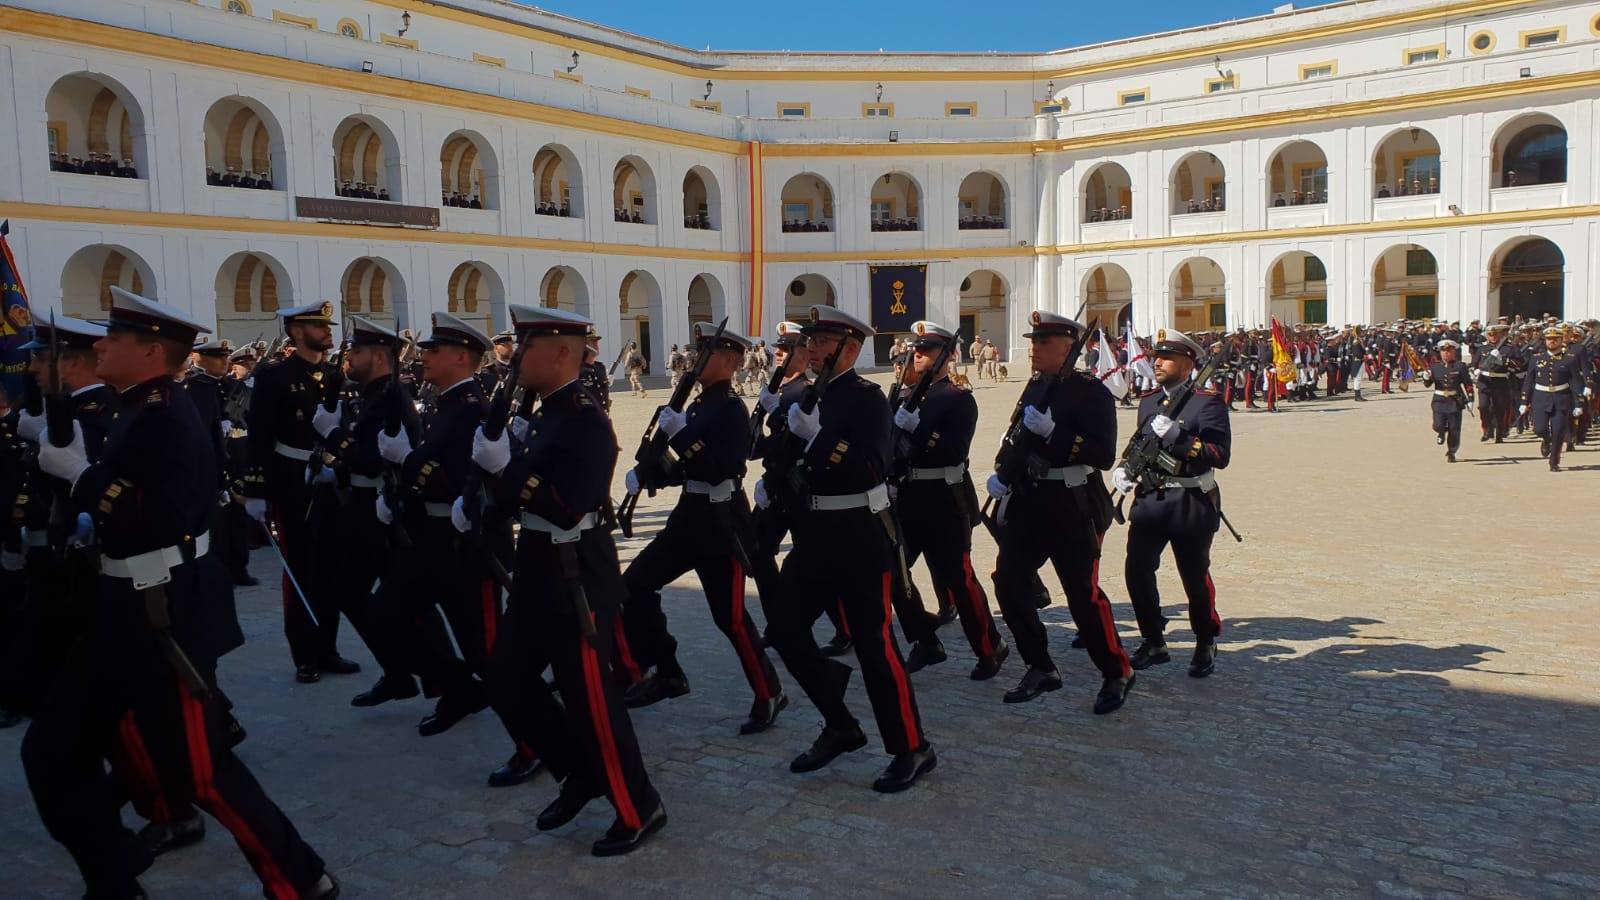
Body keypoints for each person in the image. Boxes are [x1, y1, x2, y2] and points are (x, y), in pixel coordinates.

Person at [21, 286, 337, 900]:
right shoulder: (135, 407)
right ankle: (114, 878)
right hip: (118, 614)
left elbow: (157, 516)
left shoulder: (165, 414)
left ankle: (302, 880)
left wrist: (81, 477)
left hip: (160, 615)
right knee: (51, 753)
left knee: (204, 772)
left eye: (114, 337)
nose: (101, 344)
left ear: (151, 351)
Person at [472, 304, 667, 856]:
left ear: (563, 352)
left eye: (528, 346)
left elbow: (566, 505)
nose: (515, 357)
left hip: (575, 571)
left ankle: (639, 805)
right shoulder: (543, 409)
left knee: (590, 698)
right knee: (506, 679)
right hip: (538, 562)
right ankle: (577, 773)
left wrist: (502, 470)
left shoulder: (584, 418)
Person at [762, 305, 936, 793]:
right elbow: (781, 459)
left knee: (874, 645)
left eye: (821, 343)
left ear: (851, 349)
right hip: (814, 534)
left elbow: (870, 468)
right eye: (810, 341)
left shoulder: (867, 400)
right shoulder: (803, 395)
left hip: (860, 533)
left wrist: (816, 439)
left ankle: (912, 747)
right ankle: (839, 722)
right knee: (784, 631)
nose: (811, 349)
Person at [617, 322, 788, 734]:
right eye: (698, 350)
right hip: (687, 519)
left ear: (730, 362)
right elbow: (685, 470)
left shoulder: (730, 409)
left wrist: (682, 437)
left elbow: (722, 469)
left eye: (707, 352)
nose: (697, 358)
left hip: (720, 524)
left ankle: (769, 692)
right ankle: (667, 668)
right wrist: (652, 474)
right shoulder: (695, 404)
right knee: (634, 586)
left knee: (729, 618)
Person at [986, 311, 1133, 714]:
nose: (1033, 348)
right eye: (1033, 341)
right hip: (1030, 503)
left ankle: (1116, 671)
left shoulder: (1092, 393)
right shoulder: (1036, 386)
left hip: (1072, 504)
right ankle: (1039, 665)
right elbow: (1016, 435)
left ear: (1068, 348)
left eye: (1043, 342)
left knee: (1082, 597)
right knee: (1009, 583)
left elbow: (1103, 455)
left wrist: (1057, 434)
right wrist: (1001, 471)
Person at [375, 313, 503, 737]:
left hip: (465, 547)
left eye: (435, 349)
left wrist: (405, 460)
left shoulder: (471, 410)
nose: (424, 356)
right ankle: (458, 687)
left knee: (485, 649)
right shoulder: (443, 402)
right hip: (429, 539)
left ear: (464, 358)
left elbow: (457, 484)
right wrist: (397, 495)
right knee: (388, 614)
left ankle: (534, 734)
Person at [241, 301, 363, 684]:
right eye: (318, 326)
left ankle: (328, 648)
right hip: (293, 481)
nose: (328, 332)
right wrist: (256, 488)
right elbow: (258, 436)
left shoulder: (332, 375)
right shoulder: (274, 376)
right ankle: (305, 655)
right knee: (301, 572)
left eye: (328, 326)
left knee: (332, 570)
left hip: (330, 481)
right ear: (296, 332)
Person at [890, 321, 1009, 680]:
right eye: (916, 349)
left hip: (944, 500)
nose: (918, 355)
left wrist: (915, 430)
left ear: (946, 356)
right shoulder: (902, 396)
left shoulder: (959, 399)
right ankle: (925, 640)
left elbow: (952, 450)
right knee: (893, 574)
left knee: (960, 580)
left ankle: (990, 647)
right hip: (907, 500)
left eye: (926, 350)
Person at [1111, 328, 1230, 679]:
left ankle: (1205, 639)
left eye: (1166, 358)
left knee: (1194, 578)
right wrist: (1124, 469)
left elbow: (1219, 455)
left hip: (1190, 502)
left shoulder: (1207, 403)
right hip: (1149, 503)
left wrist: (1182, 438)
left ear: (1187, 363)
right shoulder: (1148, 401)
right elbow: (1138, 446)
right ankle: (1153, 641)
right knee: (1137, 573)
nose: (1157, 362)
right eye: (1155, 357)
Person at [1520, 325, 1585, 472]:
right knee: (1539, 428)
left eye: (1555, 339)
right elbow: (1529, 381)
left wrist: (1578, 403)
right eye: (1549, 339)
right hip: (1540, 398)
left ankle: (1554, 461)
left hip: (1561, 398)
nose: (1552, 342)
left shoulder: (1569, 359)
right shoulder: (1536, 358)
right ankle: (1546, 440)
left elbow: (1575, 382)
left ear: (1561, 340)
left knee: (1558, 430)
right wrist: (1524, 401)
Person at [1421, 339, 1473, 463]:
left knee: (1454, 429)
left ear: (1454, 352)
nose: (1446, 354)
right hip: (1439, 401)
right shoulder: (1434, 366)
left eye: (1449, 351)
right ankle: (1441, 432)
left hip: (1454, 401)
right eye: (1443, 351)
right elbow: (1428, 384)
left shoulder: (1460, 366)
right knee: (1438, 424)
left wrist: (1470, 399)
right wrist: (1426, 377)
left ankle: (1452, 452)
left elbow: (1468, 384)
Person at [578, 327, 611, 412]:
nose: (596, 344)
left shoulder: (600, 368)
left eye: (596, 341)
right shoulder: (575, 370)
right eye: (592, 341)